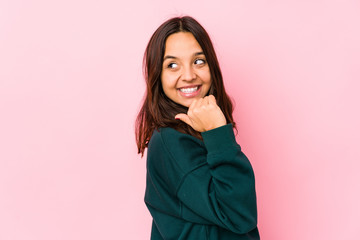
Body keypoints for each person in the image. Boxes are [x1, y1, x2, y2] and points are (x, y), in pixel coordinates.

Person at [135, 16, 260, 240]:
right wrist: (218, 135)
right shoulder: (172, 140)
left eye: (199, 61)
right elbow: (240, 214)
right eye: (172, 65)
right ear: (158, 75)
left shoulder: (194, 131)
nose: (189, 75)